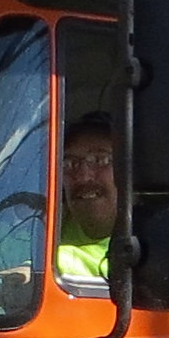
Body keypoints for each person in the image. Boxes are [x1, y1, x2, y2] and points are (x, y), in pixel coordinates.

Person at [55, 114, 119, 287]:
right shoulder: (41, 224)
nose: (83, 176)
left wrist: (44, 265)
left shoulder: (156, 235)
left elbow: (125, 268)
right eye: (69, 163)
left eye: (100, 160)